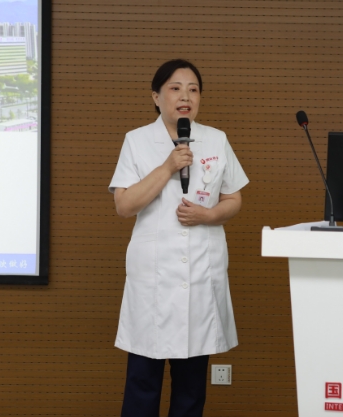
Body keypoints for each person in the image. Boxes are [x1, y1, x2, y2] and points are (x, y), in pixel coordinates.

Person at [108, 59, 249, 417]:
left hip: (200, 273)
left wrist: (208, 215)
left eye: (193, 89)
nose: (185, 97)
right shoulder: (137, 140)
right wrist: (168, 167)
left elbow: (233, 199)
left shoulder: (216, 139)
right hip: (152, 281)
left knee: (190, 389)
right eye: (175, 88)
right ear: (156, 97)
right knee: (142, 384)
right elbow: (124, 205)